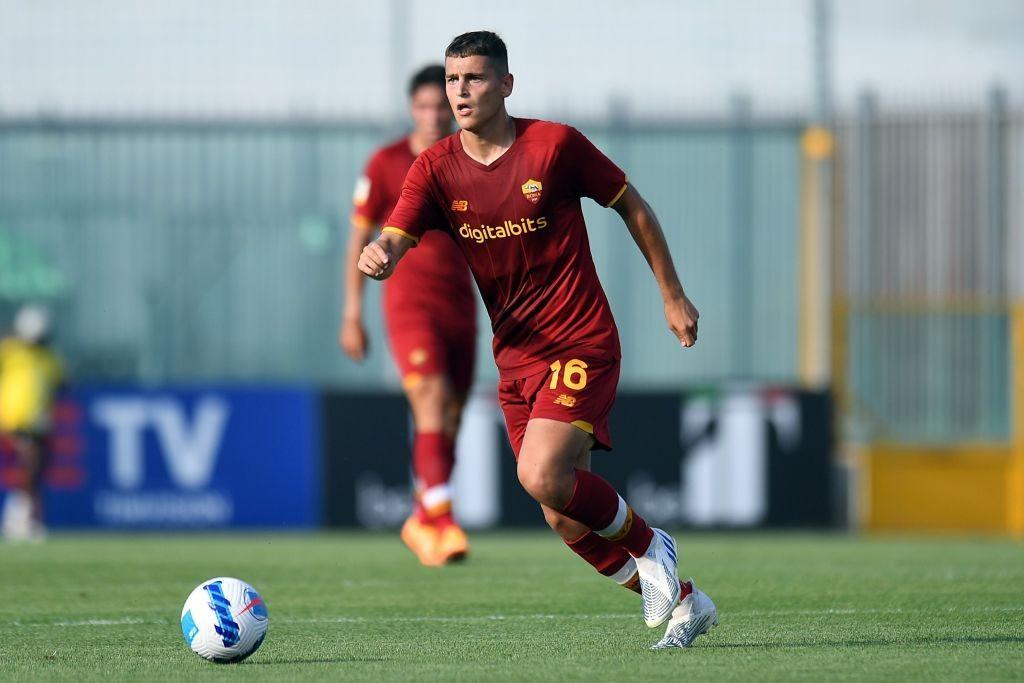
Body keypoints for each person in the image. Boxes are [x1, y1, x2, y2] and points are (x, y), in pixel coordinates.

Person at [358, 31, 718, 649]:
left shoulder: (554, 146)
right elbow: (396, 232)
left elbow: (632, 205)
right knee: (558, 509)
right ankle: (685, 602)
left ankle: (653, 544)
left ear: (505, 84)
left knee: (541, 474)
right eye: (452, 80)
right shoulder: (437, 167)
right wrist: (381, 254)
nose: (460, 91)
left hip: (580, 339)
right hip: (516, 358)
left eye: (473, 78)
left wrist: (672, 294)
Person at [341, 65, 478, 567]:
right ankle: (441, 522)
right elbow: (358, 238)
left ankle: (422, 516)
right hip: (407, 301)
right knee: (429, 396)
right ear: (411, 109)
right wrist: (352, 313)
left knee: (452, 419)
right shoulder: (385, 163)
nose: (432, 115)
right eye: (422, 107)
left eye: (440, 105)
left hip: (461, 303)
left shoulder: (470, 157)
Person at [0, 305, 64, 542]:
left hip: (38, 422)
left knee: (35, 471)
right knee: (30, 466)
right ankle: (18, 520)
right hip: (14, 420)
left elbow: (62, 383)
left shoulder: (48, 358)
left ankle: (21, 518)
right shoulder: (11, 351)